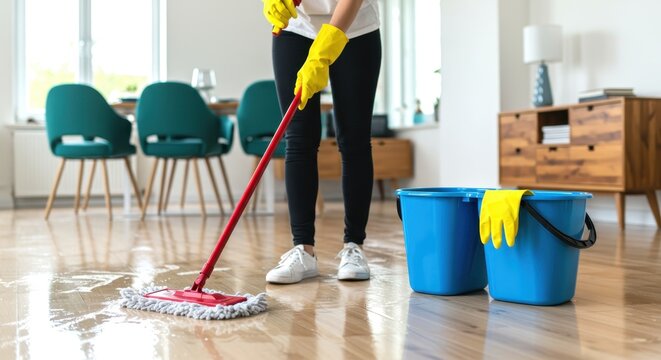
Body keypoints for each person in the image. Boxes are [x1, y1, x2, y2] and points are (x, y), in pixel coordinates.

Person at [262, 0, 381, 284]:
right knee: (299, 138)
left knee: (354, 139)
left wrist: (325, 50)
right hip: (296, 29)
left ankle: (354, 246)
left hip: (356, 30)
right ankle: (302, 249)